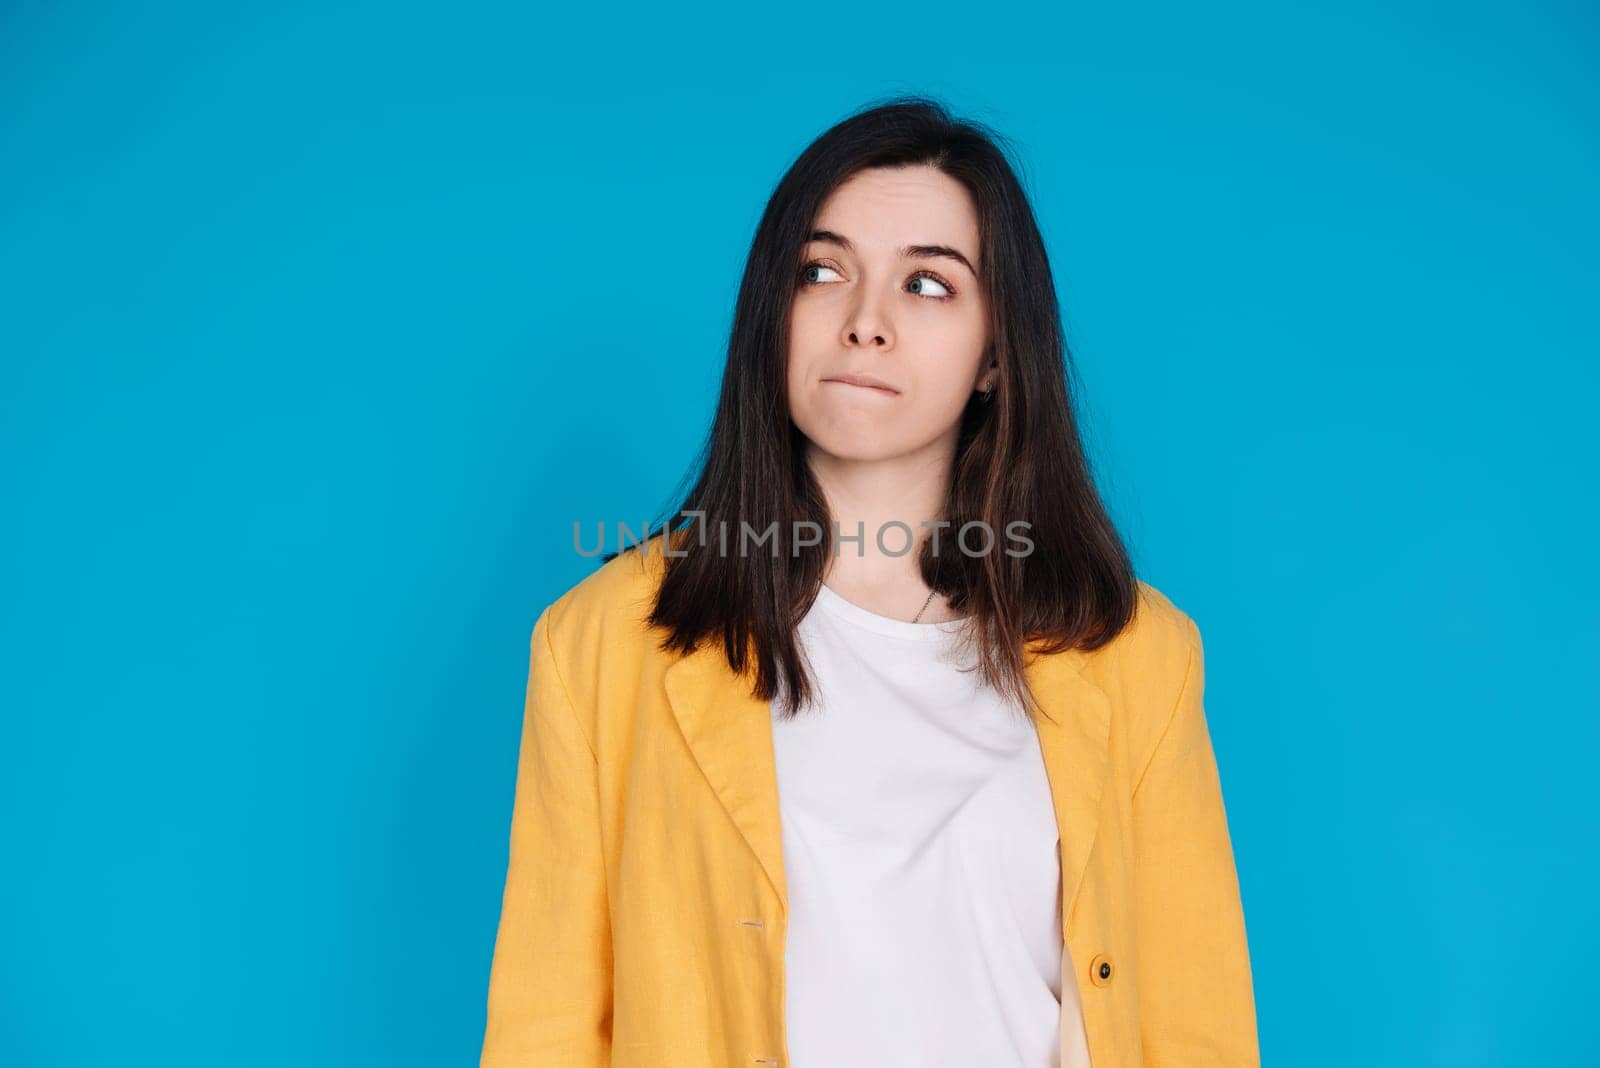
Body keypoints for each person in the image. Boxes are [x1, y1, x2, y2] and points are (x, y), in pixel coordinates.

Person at [479, 96, 1259, 1067]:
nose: (864, 323)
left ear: (993, 356)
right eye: (822, 271)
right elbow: (543, 1031)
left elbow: (1198, 1030)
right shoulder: (601, 643)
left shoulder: (1135, 654)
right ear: (775, 310)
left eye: (927, 285)